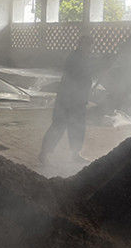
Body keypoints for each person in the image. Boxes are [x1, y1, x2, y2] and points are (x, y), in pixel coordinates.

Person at [39, 35, 93, 165]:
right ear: (81, 44)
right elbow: (77, 78)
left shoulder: (84, 58)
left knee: (77, 127)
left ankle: (75, 154)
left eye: (90, 45)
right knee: (58, 125)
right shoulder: (75, 58)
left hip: (79, 99)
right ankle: (44, 154)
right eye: (87, 45)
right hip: (67, 99)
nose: (89, 48)